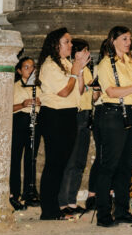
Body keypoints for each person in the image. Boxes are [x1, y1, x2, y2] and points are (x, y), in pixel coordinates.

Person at [92, 25, 132, 227]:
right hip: (112, 113)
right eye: (124, 39)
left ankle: (122, 210)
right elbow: (111, 92)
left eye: (129, 38)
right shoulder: (105, 64)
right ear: (113, 41)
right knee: (109, 165)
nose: (128, 42)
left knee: (126, 165)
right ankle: (103, 214)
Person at [35, 27, 89, 220]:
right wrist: (75, 73)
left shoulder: (66, 63)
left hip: (68, 115)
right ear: (56, 44)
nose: (71, 45)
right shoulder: (50, 66)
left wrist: (80, 70)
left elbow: (79, 91)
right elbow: (64, 92)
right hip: (54, 116)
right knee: (54, 164)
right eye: (67, 42)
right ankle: (48, 210)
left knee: (62, 164)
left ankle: (55, 207)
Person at [59, 38, 95, 214]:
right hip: (76, 114)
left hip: (87, 114)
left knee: (80, 161)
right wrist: (79, 71)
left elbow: (89, 93)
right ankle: (63, 202)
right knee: (70, 161)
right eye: (83, 51)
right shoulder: (71, 69)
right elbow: (79, 90)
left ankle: (72, 201)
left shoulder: (86, 70)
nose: (87, 54)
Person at [10, 56, 41, 211]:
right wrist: (22, 104)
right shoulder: (14, 86)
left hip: (34, 121)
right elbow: (6, 107)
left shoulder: (38, 86)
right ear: (19, 70)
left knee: (31, 158)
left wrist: (40, 103)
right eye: (27, 67)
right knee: (15, 158)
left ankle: (29, 192)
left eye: (33, 67)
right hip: (19, 121)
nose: (31, 70)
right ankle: (14, 194)